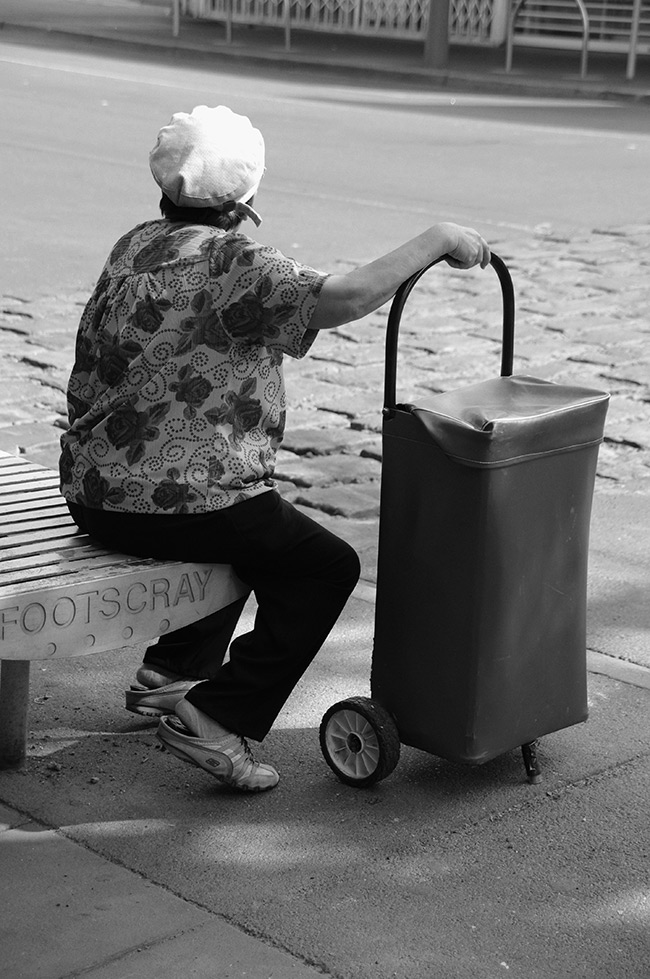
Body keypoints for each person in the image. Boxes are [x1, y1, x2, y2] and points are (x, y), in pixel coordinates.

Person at [59, 105, 490, 793]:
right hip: (179, 498)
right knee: (321, 565)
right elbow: (344, 297)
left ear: (167, 190)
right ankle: (216, 714)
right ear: (244, 199)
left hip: (95, 492)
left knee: (251, 526)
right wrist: (437, 238)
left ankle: (170, 673)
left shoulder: (135, 244)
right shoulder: (239, 263)